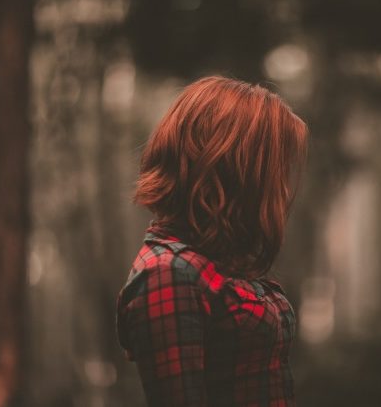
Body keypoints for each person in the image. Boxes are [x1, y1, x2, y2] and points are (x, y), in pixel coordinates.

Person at [115, 75, 309, 406]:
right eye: (272, 171)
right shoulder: (168, 274)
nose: (282, 189)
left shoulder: (218, 261)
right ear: (234, 170)